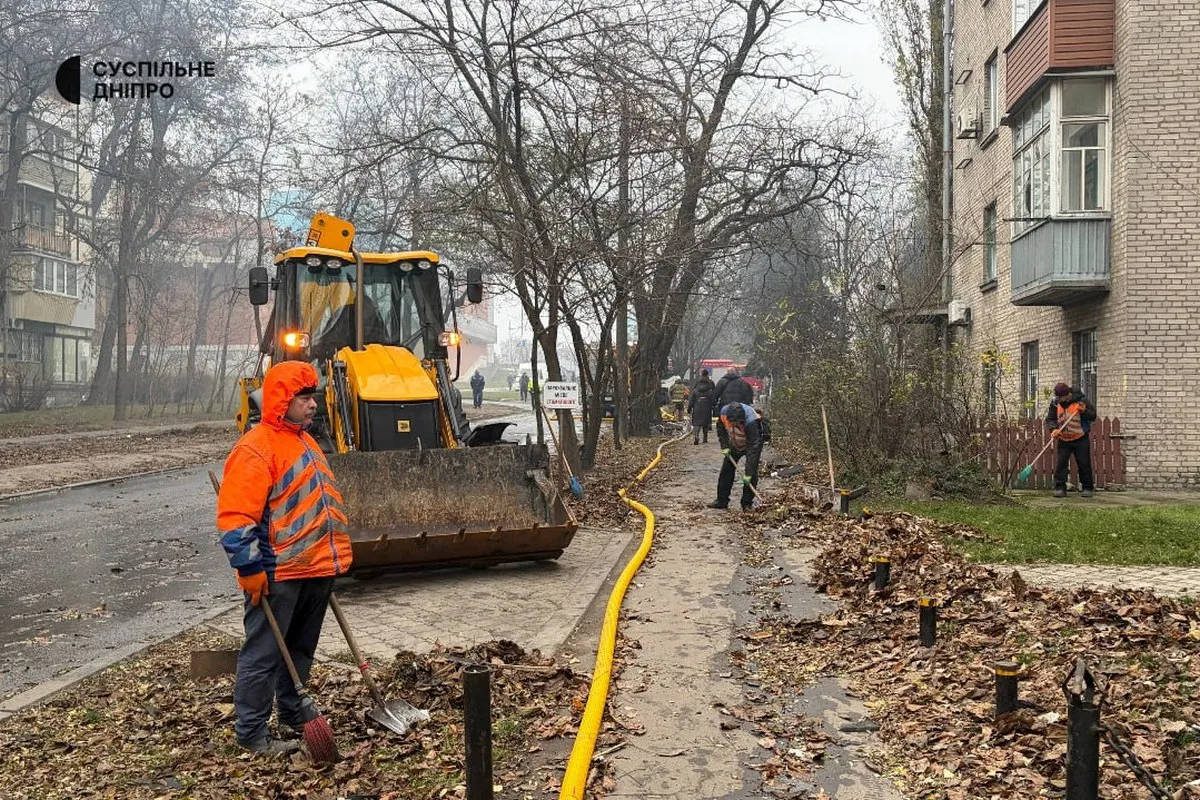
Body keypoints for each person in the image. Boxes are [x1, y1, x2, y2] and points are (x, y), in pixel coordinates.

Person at [216, 361, 353, 755]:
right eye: (304, 398)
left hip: (315, 567)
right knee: (263, 654)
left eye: (313, 397)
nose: (313, 405)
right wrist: (249, 568)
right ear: (282, 400)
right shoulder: (257, 447)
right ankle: (252, 732)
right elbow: (236, 516)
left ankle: (293, 713)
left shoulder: (307, 442)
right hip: (279, 572)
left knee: (300, 650)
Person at [1045, 381, 1097, 498]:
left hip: (1080, 437)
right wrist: (1053, 429)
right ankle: (1059, 488)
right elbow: (1050, 418)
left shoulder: (1081, 400)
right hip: (1063, 439)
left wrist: (1084, 411)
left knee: (1084, 463)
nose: (1060, 400)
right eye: (1058, 397)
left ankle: (1087, 488)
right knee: (1061, 463)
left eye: (1062, 397)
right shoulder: (1055, 403)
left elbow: (1093, 415)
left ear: (1068, 394)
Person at [710, 401, 763, 511]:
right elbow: (721, 430)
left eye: (738, 423)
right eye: (733, 423)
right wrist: (725, 446)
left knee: (752, 473)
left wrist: (748, 473)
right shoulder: (724, 414)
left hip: (750, 444)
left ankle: (746, 503)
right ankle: (722, 500)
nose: (736, 425)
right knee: (726, 470)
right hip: (734, 444)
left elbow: (754, 447)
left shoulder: (752, 421)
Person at [688, 369, 716, 444]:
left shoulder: (695, 390)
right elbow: (714, 399)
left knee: (696, 423)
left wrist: (689, 409)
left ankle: (696, 436)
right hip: (707, 408)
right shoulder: (710, 388)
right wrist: (714, 406)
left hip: (697, 407)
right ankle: (705, 438)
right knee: (705, 423)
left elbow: (691, 400)